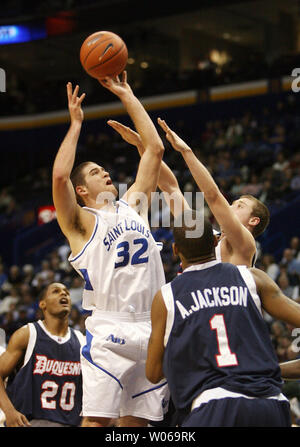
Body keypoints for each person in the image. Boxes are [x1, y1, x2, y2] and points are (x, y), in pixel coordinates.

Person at [52, 72, 168, 427]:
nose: (106, 174)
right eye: (96, 173)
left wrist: (126, 93)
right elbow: (59, 177)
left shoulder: (133, 205)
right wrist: (75, 125)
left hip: (151, 328)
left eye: (105, 170)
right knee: (97, 422)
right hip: (110, 329)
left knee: (137, 426)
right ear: (82, 190)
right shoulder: (80, 222)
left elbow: (155, 149)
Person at [145, 210, 300, 427]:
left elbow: (153, 373)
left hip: (214, 405)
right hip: (270, 403)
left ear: (175, 250)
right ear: (216, 241)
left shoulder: (167, 296)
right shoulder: (251, 277)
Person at [108, 118, 270, 268]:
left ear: (254, 220)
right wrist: (144, 148)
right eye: (233, 203)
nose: (230, 207)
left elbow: (213, 196)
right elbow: (170, 188)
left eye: (240, 206)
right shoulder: (205, 237)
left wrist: (186, 151)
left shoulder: (245, 243)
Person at [0, 282, 84, 427]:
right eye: (56, 291)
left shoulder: (81, 341)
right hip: (32, 422)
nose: (63, 294)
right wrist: (9, 411)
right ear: (43, 304)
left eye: (66, 292)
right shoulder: (27, 334)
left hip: (71, 422)